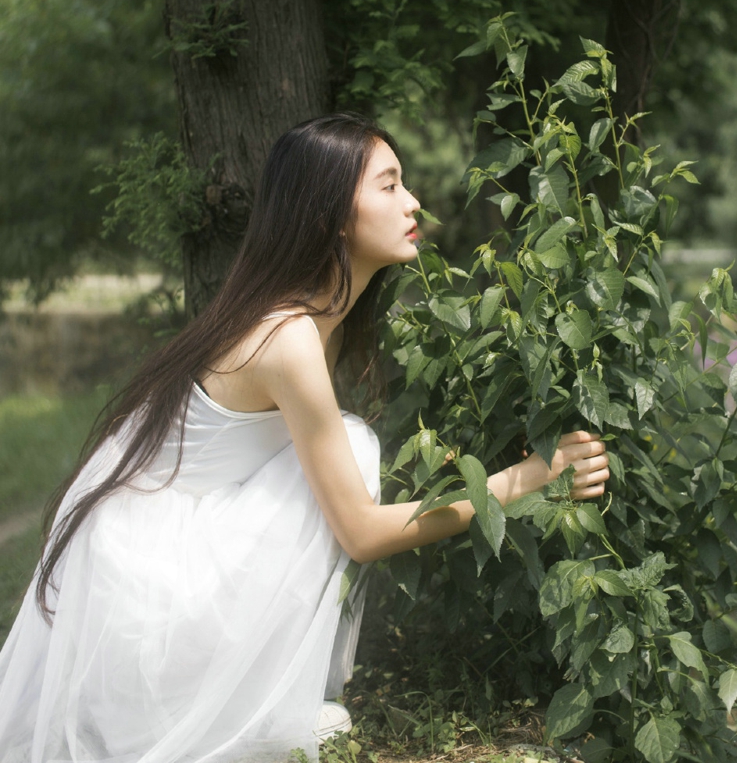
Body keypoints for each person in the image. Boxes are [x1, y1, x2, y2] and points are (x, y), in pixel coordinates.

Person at [0, 114, 609, 763]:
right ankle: (248, 705)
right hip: (146, 595)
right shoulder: (289, 336)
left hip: (157, 558)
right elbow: (362, 533)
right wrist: (528, 479)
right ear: (333, 215)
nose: (413, 203)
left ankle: (258, 697)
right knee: (354, 446)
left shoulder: (319, 321)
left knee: (349, 443)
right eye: (389, 185)